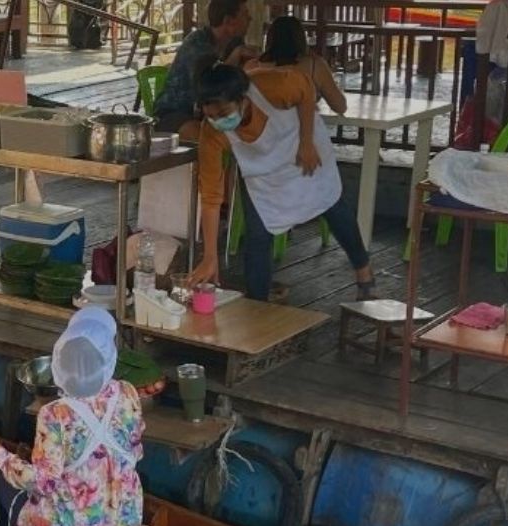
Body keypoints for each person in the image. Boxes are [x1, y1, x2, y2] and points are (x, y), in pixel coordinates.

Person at [0, 308, 145, 526]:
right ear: (108, 357)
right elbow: (134, 452)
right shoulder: (127, 393)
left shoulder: (55, 414)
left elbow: (42, 483)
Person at [189, 64, 375, 302]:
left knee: (333, 206)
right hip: (264, 176)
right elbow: (211, 198)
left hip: (303, 153)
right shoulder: (211, 134)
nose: (218, 121)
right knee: (257, 236)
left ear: (243, 99)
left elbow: (306, 89)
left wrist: (306, 142)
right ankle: (258, 307)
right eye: (211, 116)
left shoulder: (272, 85)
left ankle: (364, 273)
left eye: (224, 113)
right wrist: (210, 256)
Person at [152, 0, 255, 141]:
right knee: (207, 138)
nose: (250, 19)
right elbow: (211, 83)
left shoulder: (234, 43)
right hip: (175, 113)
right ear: (228, 21)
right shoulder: (196, 44)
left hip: (213, 112)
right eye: (245, 14)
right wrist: (235, 56)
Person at [257, 16, 347, 115]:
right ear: (301, 38)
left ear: (270, 38)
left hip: (264, 128)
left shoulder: (255, 66)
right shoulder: (314, 66)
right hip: (301, 127)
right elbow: (340, 106)